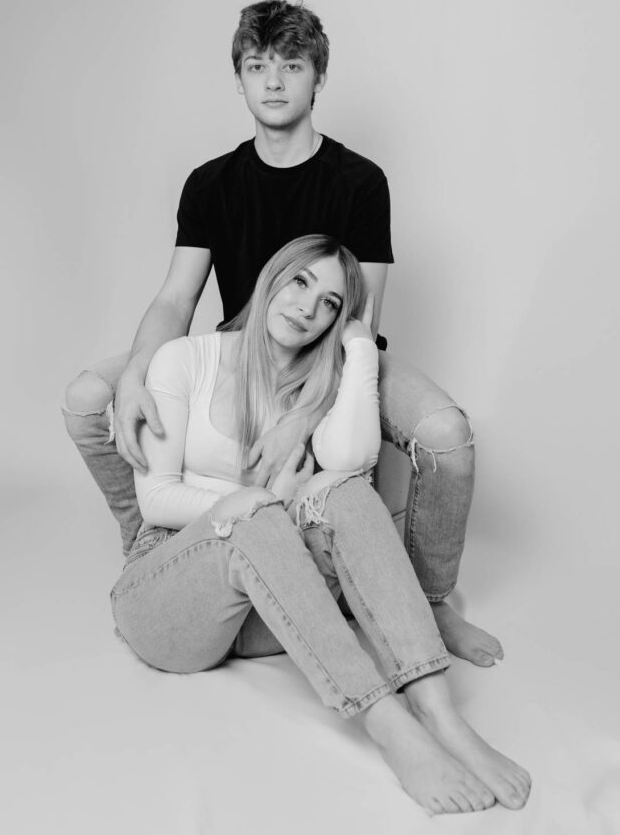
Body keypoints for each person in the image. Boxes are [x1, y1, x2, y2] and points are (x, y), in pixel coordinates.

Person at [64, 0, 502, 667]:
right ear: (237, 78)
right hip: (241, 353)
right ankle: (153, 539)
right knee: (87, 398)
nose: (272, 80)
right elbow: (175, 297)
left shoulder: (359, 182)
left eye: (290, 66)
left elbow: (360, 316)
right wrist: (133, 376)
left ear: (316, 78)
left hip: (329, 352)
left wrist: (303, 416)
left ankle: (429, 600)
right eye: (257, 65)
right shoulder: (210, 183)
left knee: (447, 436)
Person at [110, 235, 530, 815]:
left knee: (342, 491)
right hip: (169, 599)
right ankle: (389, 726)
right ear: (270, 279)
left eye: (332, 303)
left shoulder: (322, 381)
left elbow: (352, 461)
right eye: (301, 282)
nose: (309, 308)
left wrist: (358, 349)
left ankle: (441, 714)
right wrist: (258, 498)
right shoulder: (185, 359)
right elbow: (155, 498)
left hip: (263, 612)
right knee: (257, 512)